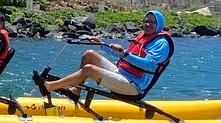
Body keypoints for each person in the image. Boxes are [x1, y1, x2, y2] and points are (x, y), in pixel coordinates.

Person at [35, 10, 174, 97]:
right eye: (146, 21)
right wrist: (101, 45)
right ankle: (76, 91)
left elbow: (149, 65)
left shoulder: (161, 43)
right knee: (89, 54)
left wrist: (125, 54)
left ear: (159, 24)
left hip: (134, 86)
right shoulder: (143, 36)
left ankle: (49, 87)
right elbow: (124, 57)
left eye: (152, 22)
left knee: (89, 70)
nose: (148, 24)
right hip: (122, 73)